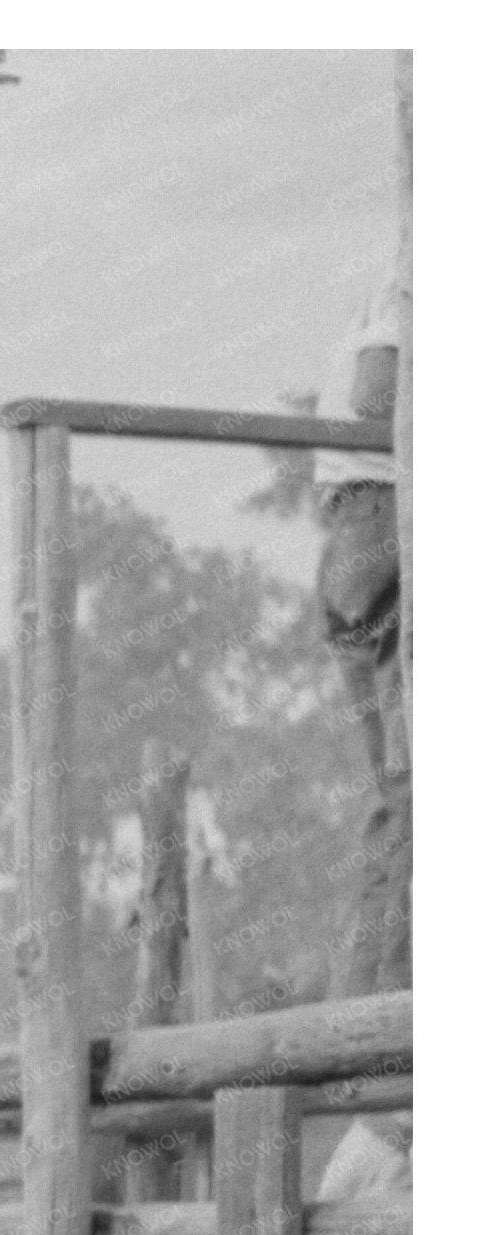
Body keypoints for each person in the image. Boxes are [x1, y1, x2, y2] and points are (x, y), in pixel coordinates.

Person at [312, 264, 407, 995]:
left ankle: (361, 1029)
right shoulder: (421, 264)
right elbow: (377, 398)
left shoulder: (390, 274)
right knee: (415, 792)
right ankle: (393, 1027)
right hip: (383, 514)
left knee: (398, 794)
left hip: (354, 525)